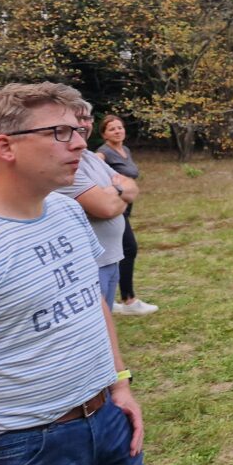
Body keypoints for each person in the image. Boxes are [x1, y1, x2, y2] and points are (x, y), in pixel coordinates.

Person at [0, 81, 146, 465]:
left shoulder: (67, 209)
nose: (80, 146)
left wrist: (119, 383)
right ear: (5, 147)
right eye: (58, 133)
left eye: (80, 131)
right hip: (21, 447)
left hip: (107, 422)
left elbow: (92, 304)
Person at [55, 102, 138, 310]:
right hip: (90, 264)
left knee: (106, 322)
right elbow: (105, 208)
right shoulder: (64, 164)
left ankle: (128, 298)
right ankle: (129, 299)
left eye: (87, 118)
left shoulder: (91, 157)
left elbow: (133, 188)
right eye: (77, 118)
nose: (83, 124)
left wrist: (116, 191)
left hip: (111, 258)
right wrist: (119, 191)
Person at [96, 115, 158, 316]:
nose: (117, 131)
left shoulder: (125, 150)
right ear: (104, 134)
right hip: (114, 208)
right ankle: (128, 300)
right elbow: (95, 171)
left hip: (125, 208)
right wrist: (115, 189)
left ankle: (110, 299)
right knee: (128, 248)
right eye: (112, 129)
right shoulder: (102, 153)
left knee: (117, 252)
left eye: (120, 128)